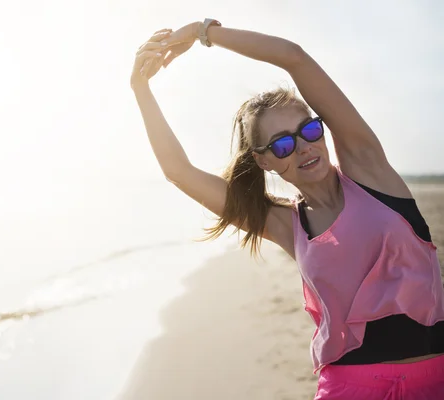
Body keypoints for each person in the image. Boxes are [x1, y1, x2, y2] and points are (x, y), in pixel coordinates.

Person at [130, 21, 444, 399]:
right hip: (351, 388)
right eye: (282, 146)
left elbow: (293, 58)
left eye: (309, 131)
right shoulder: (284, 224)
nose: (303, 148)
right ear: (264, 162)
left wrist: (203, 32)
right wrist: (141, 88)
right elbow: (178, 172)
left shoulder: (369, 171)